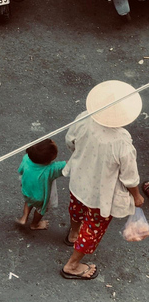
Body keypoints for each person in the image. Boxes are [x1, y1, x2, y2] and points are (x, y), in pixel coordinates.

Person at [61, 80, 144, 280]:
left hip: (79, 180)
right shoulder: (122, 142)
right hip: (102, 195)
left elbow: (69, 141)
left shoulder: (84, 118)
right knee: (93, 227)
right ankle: (72, 265)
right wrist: (137, 196)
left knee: (77, 209)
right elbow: (130, 177)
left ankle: (73, 234)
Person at [16, 138, 67, 230]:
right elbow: (69, 165)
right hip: (40, 198)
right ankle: (35, 224)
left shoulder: (26, 158)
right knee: (40, 210)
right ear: (49, 160)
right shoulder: (51, 169)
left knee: (28, 201)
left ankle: (24, 217)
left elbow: (20, 170)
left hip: (27, 190)